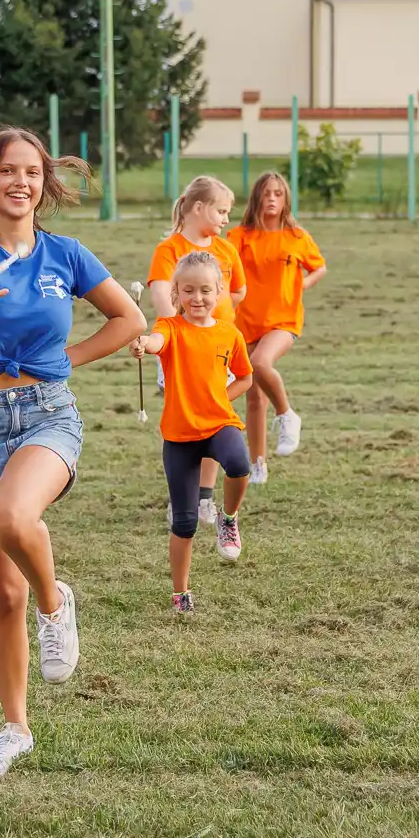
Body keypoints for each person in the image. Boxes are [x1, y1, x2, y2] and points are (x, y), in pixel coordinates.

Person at [0, 127, 143, 778]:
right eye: (8, 171)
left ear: (44, 183)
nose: (22, 182)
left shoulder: (66, 254)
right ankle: (15, 727)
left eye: (32, 172)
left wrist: (64, 360)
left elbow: (130, 319)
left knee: (13, 519)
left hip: (47, 413)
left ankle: (56, 601)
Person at [131, 251, 254, 612]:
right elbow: (155, 342)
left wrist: (220, 399)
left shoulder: (230, 334)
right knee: (184, 523)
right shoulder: (169, 327)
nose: (197, 298)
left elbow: (245, 377)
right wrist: (143, 345)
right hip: (179, 436)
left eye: (205, 290)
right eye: (188, 291)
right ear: (176, 294)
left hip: (218, 423)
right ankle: (181, 593)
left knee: (239, 463)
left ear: (219, 291)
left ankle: (228, 518)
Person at [147, 175, 246, 524]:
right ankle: (184, 494)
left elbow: (236, 294)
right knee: (188, 421)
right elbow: (161, 294)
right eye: (221, 210)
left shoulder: (226, 250)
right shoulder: (169, 249)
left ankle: (205, 496)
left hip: (218, 350)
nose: (225, 219)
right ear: (198, 207)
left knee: (214, 420)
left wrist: (215, 327)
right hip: (180, 350)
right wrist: (180, 332)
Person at [227, 172, 326, 482]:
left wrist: (304, 282)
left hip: (283, 320)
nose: (271, 198)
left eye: (278, 194)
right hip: (245, 324)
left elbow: (319, 266)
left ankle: (287, 415)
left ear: (285, 200)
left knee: (259, 363)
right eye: (266, 193)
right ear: (257, 198)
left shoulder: (296, 236)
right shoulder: (239, 236)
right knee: (254, 396)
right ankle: (257, 465)